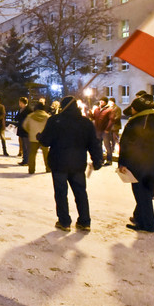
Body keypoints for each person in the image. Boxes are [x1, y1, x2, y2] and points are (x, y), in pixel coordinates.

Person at [37, 95, 104, 232]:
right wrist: (97, 160)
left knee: (61, 193)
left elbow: (45, 141)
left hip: (59, 163)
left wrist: (39, 136)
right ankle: (85, 221)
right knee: (80, 193)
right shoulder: (86, 123)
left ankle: (64, 221)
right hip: (78, 164)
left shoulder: (55, 121)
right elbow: (94, 144)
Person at [118, 96, 154, 233]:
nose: (131, 110)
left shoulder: (135, 122)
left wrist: (123, 162)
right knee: (145, 193)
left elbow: (126, 144)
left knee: (141, 194)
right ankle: (139, 218)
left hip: (138, 164)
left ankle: (148, 225)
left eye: (133, 107)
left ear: (137, 108)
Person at [22, 103, 50, 175]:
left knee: (32, 154)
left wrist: (30, 131)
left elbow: (25, 125)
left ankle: (31, 169)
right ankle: (48, 168)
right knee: (46, 154)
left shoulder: (30, 116)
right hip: (44, 138)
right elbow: (51, 127)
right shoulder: (47, 117)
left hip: (33, 138)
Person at [104, 97, 122, 165]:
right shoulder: (108, 108)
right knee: (111, 139)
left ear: (112, 102)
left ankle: (117, 150)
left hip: (115, 127)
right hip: (110, 127)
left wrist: (111, 120)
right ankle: (111, 150)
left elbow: (118, 117)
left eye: (109, 102)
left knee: (115, 138)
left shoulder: (117, 108)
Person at [15, 97, 33, 165]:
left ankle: (27, 161)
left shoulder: (29, 110)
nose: (19, 104)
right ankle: (24, 160)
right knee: (23, 146)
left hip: (26, 130)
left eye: (20, 102)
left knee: (26, 146)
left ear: (23, 102)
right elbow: (16, 117)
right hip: (21, 129)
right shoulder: (21, 110)